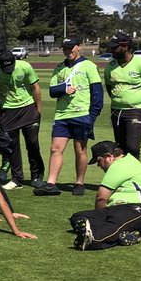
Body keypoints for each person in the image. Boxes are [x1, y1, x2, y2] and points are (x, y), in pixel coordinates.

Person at [69, 141, 141, 250]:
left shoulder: (121, 165)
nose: (98, 165)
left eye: (98, 161)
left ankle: (94, 240)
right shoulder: (126, 162)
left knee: (117, 220)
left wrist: (102, 216)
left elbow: (101, 198)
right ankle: (128, 234)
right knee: (79, 218)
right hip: (127, 212)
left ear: (108, 157)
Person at [35, 38, 102, 197]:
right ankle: (51, 183)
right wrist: (64, 89)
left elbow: (97, 95)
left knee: (80, 150)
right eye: (65, 48)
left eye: (70, 48)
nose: (68, 51)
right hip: (62, 116)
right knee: (55, 149)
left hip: (81, 115)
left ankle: (79, 182)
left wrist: (91, 118)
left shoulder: (89, 66)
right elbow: (52, 91)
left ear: (78, 47)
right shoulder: (59, 68)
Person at [102, 32, 141, 157]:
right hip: (116, 111)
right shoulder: (110, 66)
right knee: (119, 148)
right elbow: (109, 86)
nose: (111, 50)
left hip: (136, 110)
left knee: (132, 148)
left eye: (115, 47)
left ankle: (136, 176)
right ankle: (124, 175)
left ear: (125, 46)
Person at [0, 50, 44, 189]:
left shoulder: (25, 66)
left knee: (32, 144)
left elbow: (35, 88)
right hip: (9, 112)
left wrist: (38, 111)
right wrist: (0, 116)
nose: (8, 71)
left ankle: (36, 176)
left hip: (28, 109)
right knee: (12, 147)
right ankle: (17, 179)